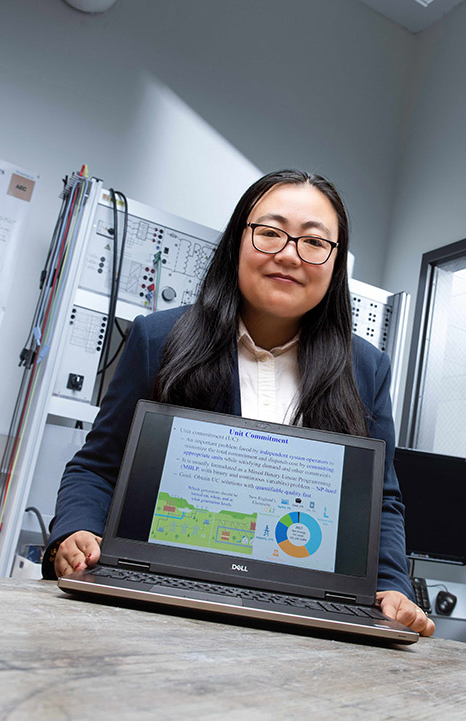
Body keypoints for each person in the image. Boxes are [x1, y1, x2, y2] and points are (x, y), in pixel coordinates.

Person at [43, 169, 434, 637]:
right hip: (158, 602)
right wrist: (75, 533)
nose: (289, 255)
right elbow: (98, 466)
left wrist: (393, 587)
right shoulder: (159, 338)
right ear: (237, 243)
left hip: (301, 615)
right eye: (270, 233)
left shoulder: (365, 368)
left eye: (314, 243)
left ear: (333, 265)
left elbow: (381, 502)